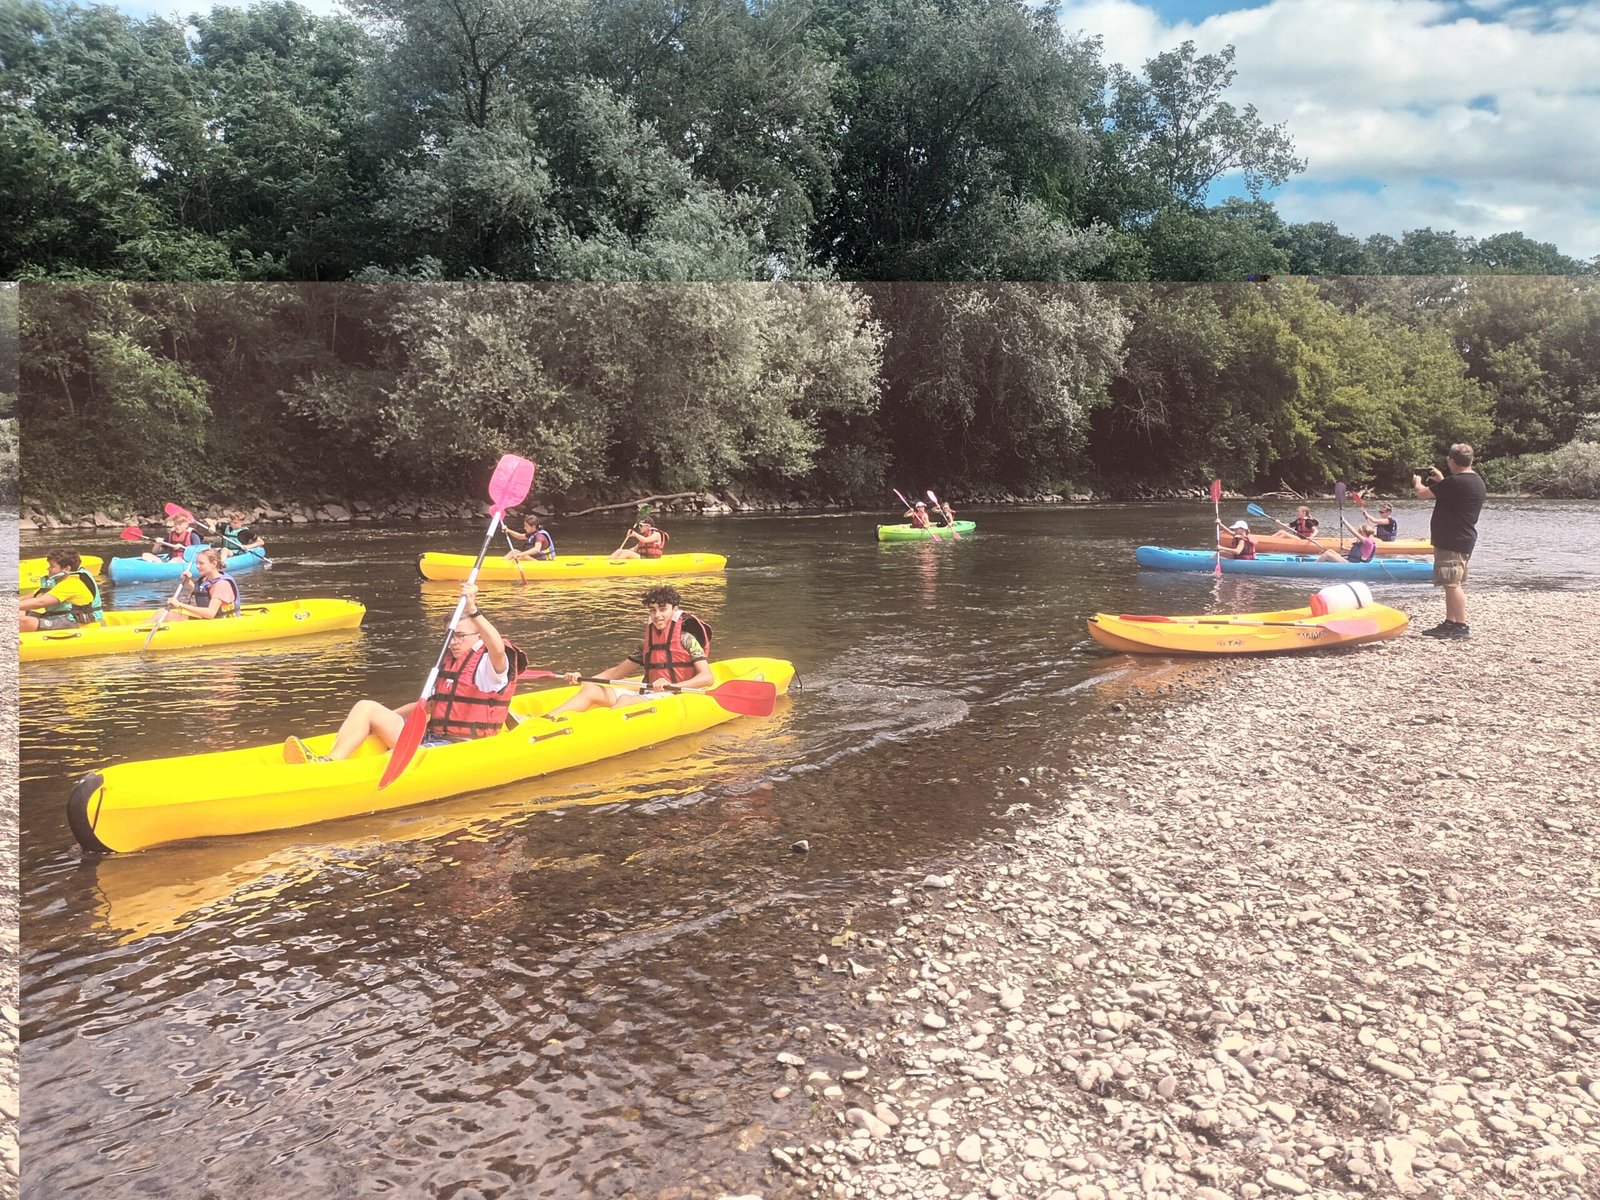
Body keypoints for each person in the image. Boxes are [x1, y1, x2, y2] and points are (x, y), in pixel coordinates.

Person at [285, 584, 525, 762]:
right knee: (366, 707)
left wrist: (473, 609)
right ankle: (330, 763)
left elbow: (496, 646)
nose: (453, 641)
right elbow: (428, 706)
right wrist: (383, 719)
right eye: (450, 635)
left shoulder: (488, 666)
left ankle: (354, 775)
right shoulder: (449, 662)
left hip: (463, 749)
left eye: (460, 635)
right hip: (431, 738)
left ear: (478, 636)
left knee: (390, 757)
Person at [546, 584, 713, 718]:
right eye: (652, 610)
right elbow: (616, 672)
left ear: (675, 610)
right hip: (650, 693)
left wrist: (673, 686)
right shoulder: (647, 643)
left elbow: (707, 677)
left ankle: (598, 731)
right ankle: (547, 719)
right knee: (592, 690)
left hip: (676, 695)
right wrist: (582, 680)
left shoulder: (687, 639)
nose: (657, 615)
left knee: (626, 699)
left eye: (663, 609)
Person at [1415, 443, 1487, 639]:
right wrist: (1442, 480)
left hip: (1452, 540)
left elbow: (1422, 494)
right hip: (1461, 538)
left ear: (1452, 461)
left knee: (1452, 583)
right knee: (1451, 583)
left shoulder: (1455, 483)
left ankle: (1461, 625)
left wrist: (1417, 480)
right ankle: (1450, 622)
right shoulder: (1475, 481)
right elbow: (1455, 494)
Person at [19, 550, 104, 631]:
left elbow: (40, 602)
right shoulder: (61, 580)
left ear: (66, 569)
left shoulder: (72, 583)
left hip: (76, 624)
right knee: (19, 614)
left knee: (23, 622)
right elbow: (37, 595)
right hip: (60, 617)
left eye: (52, 566)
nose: (48, 569)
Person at [166, 549, 241, 620]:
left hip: (220, 623)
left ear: (214, 564)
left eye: (201, 563)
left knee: (165, 615)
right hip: (209, 620)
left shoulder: (221, 584)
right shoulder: (206, 579)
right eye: (197, 563)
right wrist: (188, 581)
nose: (197, 566)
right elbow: (202, 593)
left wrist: (180, 605)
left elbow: (210, 613)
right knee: (161, 612)